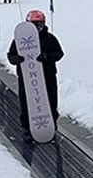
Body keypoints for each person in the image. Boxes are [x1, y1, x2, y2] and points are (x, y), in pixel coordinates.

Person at [7, 10, 65, 142]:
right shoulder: (19, 40)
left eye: (40, 24)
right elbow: (11, 55)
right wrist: (17, 59)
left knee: (50, 101)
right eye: (34, 25)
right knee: (27, 102)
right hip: (27, 78)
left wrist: (47, 57)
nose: (38, 28)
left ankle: (51, 127)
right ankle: (27, 129)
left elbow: (59, 53)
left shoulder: (50, 39)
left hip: (48, 77)